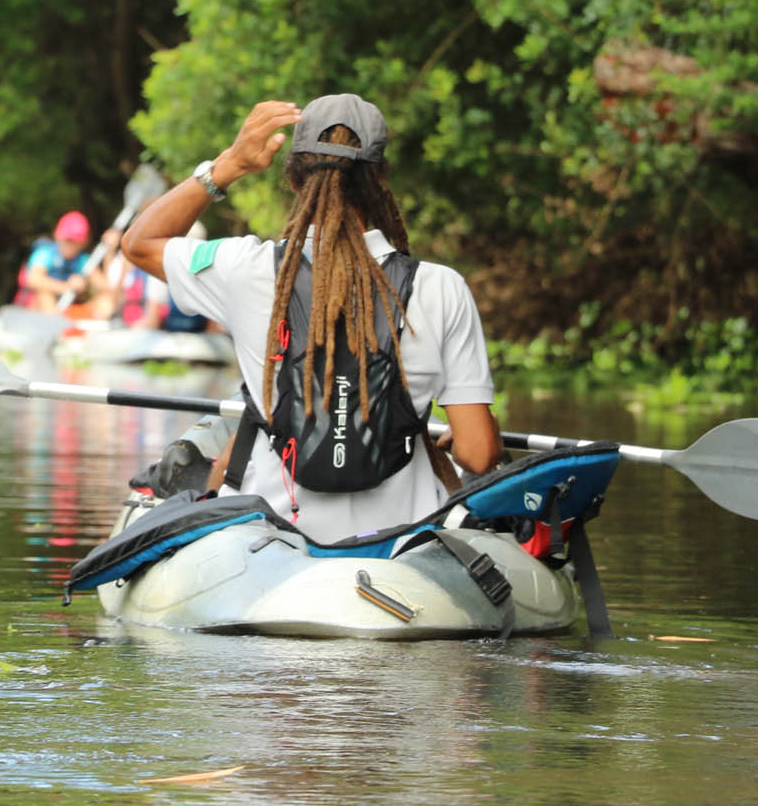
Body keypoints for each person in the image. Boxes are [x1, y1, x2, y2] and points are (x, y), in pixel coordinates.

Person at [120, 95, 502, 539]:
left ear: (296, 179)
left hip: (269, 537)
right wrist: (477, 427)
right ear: (379, 180)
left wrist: (228, 165)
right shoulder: (441, 287)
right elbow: (477, 456)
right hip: (401, 544)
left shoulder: (246, 269)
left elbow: (140, 242)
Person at [14, 211, 94, 313]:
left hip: (65, 308)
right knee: (44, 293)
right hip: (34, 308)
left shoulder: (83, 260)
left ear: (83, 243)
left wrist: (84, 285)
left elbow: (104, 287)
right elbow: (33, 279)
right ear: (58, 236)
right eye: (68, 240)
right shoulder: (45, 253)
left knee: (105, 302)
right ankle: (54, 319)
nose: (70, 245)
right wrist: (67, 287)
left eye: (75, 242)